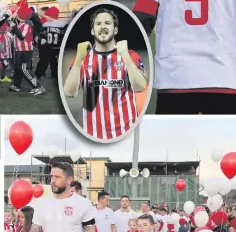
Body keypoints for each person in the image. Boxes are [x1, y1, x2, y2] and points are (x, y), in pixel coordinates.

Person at [63, 7, 147, 140]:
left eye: (107, 23)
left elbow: (140, 86)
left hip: (126, 132)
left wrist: (125, 55)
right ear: (92, 30)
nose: (103, 27)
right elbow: (69, 92)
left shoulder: (131, 55)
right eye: (98, 24)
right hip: (93, 134)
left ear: (115, 29)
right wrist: (78, 61)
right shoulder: (83, 58)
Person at [9, 12, 46, 95]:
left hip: (25, 50)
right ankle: (16, 85)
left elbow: (21, 37)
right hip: (19, 50)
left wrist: (14, 27)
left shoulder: (26, 26)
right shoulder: (20, 25)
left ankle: (38, 87)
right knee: (17, 69)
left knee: (25, 69)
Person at [35, 7, 67, 80]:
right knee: (48, 61)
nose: (46, 17)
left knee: (48, 61)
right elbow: (42, 34)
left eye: (47, 16)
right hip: (53, 47)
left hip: (51, 47)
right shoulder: (62, 25)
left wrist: (41, 39)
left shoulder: (47, 24)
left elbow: (42, 35)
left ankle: (43, 74)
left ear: (50, 16)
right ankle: (44, 74)